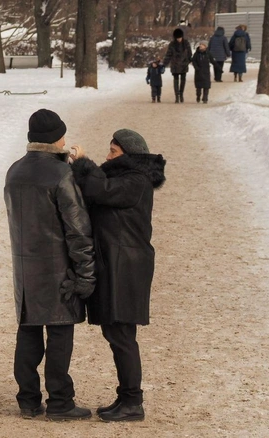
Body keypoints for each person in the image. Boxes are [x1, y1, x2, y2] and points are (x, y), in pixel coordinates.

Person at [4, 109, 96, 421]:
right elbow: (78, 229)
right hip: (58, 270)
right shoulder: (61, 174)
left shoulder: (14, 171)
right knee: (59, 334)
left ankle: (28, 399)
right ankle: (60, 402)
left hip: (25, 271)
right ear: (55, 139)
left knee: (28, 334)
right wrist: (86, 273)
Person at [68, 129, 166, 422]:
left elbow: (100, 191)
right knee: (117, 333)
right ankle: (126, 397)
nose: (108, 156)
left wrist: (84, 162)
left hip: (126, 266)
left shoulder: (135, 180)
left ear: (129, 154)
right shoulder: (129, 177)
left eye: (113, 151)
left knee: (122, 335)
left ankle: (133, 402)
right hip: (121, 263)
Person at [162, 28, 193, 103]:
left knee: (183, 80)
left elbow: (189, 53)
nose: (179, 39)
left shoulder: (186, 43)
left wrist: (188, 61)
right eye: (177, 38)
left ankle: (181, 94)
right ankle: (177, 96)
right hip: (175, 64)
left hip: (184, 64)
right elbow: (168, 55)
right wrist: (164, 64)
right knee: (176, 81)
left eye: (180, 37)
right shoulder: (172, 44)